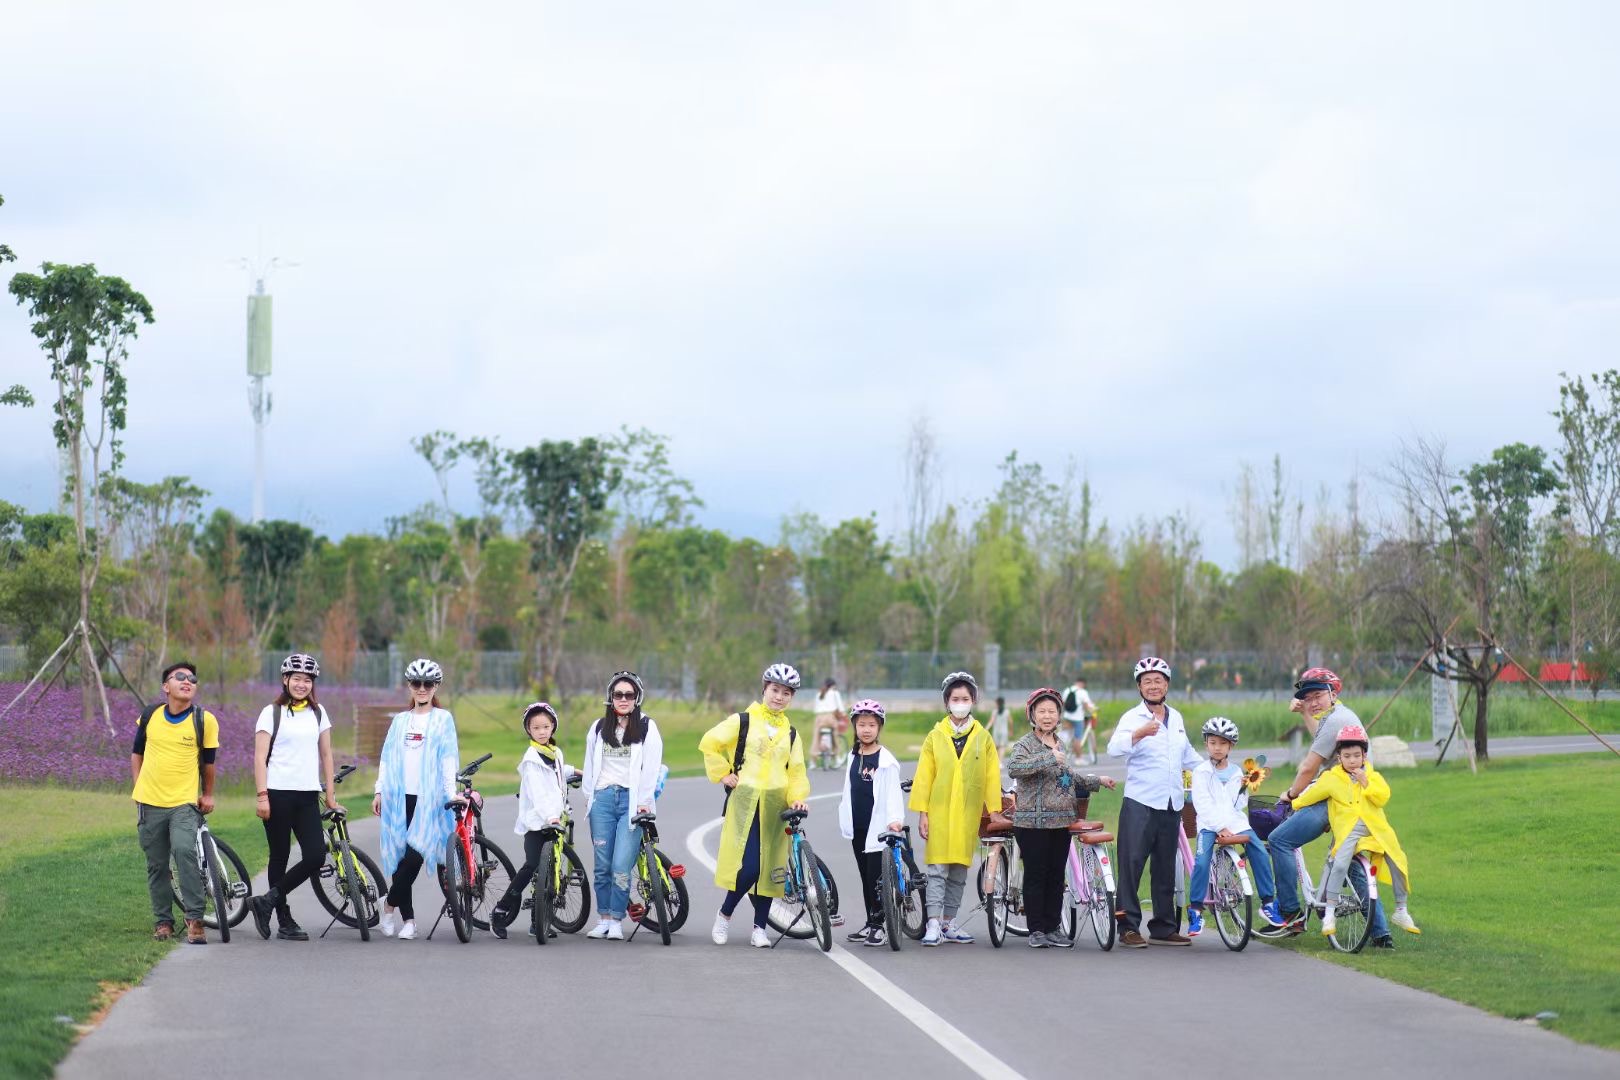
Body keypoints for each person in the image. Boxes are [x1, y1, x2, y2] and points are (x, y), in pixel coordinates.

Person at [1269, 668, 1395, 948]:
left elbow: (1308, 767)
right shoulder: (1342, 717)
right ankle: (1381, 933)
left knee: (1279, 840)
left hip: (1335, 799)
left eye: (1317, 696)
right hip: (1357, 802)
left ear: (1333, 694)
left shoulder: (1336, 718)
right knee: (1347, 860)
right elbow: (1323, 741)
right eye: (1307, 698)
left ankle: (1290, 914)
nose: (1313, 703)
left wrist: (1290, 795)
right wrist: (1305, 714)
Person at [700, 663, 811, 948]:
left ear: (791, 697)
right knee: (748, 867)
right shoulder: (744, 721)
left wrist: (798, 796)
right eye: (775, 690)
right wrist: (723, 772)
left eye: (786, 693)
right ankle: (724, 915)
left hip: (776, 806)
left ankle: (759, 929)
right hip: (746, 804)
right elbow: (710, 742)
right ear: (764, 689)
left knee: (770, 869)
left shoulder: (792, 734)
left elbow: (796, 771)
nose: (779, 697)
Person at [1006, 687, 1117, 948]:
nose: (1047, 716)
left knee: (1056, 877)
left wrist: (1096, 780)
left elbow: (1067, 778)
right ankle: (1036, 931)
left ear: (1059, 716)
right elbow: (1014, 768)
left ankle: (1053, 928)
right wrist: (1047, 757)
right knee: (1036, 875)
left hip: (1061, 821)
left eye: (1052, 712)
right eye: (1041, 711)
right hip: (1032, 824)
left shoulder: (1061, 743)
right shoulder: (1025, 744)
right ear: (1032, 715)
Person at [1106, 656, 1202, 948]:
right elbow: (1112, 749)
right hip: (1140, 802)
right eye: (1146, 681)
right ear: (1139, 686)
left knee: (1165, 868)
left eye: (1158, 680)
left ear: (1167, 684)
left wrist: (1219, 773)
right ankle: (1127, 927)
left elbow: (1188, 757)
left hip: (1171, 804)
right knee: (1132, 864)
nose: (1152, 685)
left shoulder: (1177, 718)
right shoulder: (1131, 718)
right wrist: (1138, 734)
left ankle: (1163, 926)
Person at [1289, 724, 1419, 939]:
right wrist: (1293, 802)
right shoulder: (1331, 778)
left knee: (1398, 860)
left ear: (1364, 756)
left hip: (1376, 829)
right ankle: (1329, 911)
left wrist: (1366, 782)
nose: (1352, 760)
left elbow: (1383, 797)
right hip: (1349, 830)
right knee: (1340, 863)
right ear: (1339, 757)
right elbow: (1310, 796)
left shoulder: (1372, 775)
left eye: (1357, 755)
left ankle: (1401, 909)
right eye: (1347, 756)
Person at [248, 653, 343, 941]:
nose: (302, 684)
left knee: (315, 855)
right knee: (280, 855)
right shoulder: (271, 712)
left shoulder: (318, 712)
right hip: (277, 793)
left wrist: (330, 794)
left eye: (307, 680)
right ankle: (284, 919)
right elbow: (260, 757)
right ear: (285, 680)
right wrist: (262, 796)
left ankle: (266, 901)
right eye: (297, 679)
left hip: (307, 795)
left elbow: (326, 754)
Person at [908, 670, 1002, 946]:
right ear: (947, 702)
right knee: (937, 870)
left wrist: (994, 808)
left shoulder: (982, 737)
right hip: (939, 813)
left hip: (967, 814)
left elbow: (991, 775)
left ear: (973, 700)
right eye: (955, 698)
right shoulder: (935, 736)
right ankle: (933, 923)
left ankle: (949, 922)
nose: (960, 702)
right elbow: (924, 776)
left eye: (965, 698)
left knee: (960, 870)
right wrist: (923, 813)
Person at [131, 660, 220, 944]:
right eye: (179, 677)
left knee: (184, 851)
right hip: (150, 803)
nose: (187, 681)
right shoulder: (150, 715)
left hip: (183, 802)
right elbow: (137, 753)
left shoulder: (204, 720)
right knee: (157, 865)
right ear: (165, 687)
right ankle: (163, 922)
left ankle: (195, 919)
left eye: (192, 679)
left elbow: (209, 764)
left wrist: (207, 794)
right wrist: (139, 786)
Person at [372, 658, 461, 941]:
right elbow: (386, 758)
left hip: (430, 801)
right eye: (416, 684)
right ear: (409, 686)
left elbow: (448, 759)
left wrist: (450, 793)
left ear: (436, 687)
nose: (422, 689)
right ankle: (408, 920)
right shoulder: (400, 721)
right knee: (401, 861)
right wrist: (378, 790)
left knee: (414, 857)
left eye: (428, 684)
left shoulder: (443, 719)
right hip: (399, 798)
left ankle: (387, 906)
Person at [581, 671, 665, 940]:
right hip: (602, 800)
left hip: (631, 802)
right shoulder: (597, 728)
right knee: (602, 866)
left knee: (620, 865)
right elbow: (589, 767)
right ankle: (603, 917)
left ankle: (617, 920)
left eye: (629, 694)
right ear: (611, 697)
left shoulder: (647, 728)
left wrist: (643, 803)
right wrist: (590, 798)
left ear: (637, 697)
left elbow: (651, 768)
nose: (624, 699)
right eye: (619, 694)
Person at [1184, 716, 1281, 937]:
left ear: (1231, 746)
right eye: (1212, 743)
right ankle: (1196, 910)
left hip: (1235, 822)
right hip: (1209, 825)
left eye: (1223, 743)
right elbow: (1202, 804)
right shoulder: (1201, 772)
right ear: (1206, 743)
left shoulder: (1237, 772)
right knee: (1201, 861)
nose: (1217, 748)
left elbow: (1238, 805)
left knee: (1258, 849)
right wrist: (1219, 827)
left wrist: (1245, 786)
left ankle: (1267, 903)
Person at [490, 702, 577, 939]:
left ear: (553, 727)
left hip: (555, 820)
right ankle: (500, 910)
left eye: (546, 726)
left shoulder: (554, 752)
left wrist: (576, 772)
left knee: (548, 870)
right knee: (532, 866)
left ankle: (537, 921)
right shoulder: (531, 759)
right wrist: (549, 816)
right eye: (536, 727)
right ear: (529, 730)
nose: (541, 731)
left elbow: (558, 770)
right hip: (537, 822)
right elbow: (538, 792)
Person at [837, 698, 906, 947]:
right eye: (862, 724)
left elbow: (892, 794)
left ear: (879, 728)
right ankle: (870, 922)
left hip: (878, 828)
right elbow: (849, 789)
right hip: (858, 827)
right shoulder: (853, 755)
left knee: (876, 878)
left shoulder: (885, 760)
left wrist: (895, 821)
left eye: (872, 725)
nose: (866, 729)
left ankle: (879, 927)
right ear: (855, 727)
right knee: (865, 876)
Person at [1063, 676, 1099, 763]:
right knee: (1077, 738)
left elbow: (1063, 703)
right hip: (1078, 718)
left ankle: (1064, 750)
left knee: (1066, 735)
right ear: (1083, 684)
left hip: (1067, 716)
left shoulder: (1067, 690)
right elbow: (1087, 706)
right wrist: (1093, 709)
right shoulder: (1083, 692)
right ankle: (1078, 759)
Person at [812, 677, 846, 769]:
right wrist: (843, 714)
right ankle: (837, 757)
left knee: (816, 738)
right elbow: (841, 708)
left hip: (819, 718)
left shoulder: (819, 694)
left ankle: (813, 761)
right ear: (833, 686)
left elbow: (815, 708)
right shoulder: (835, 693)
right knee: (835, 735)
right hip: (830, 718)